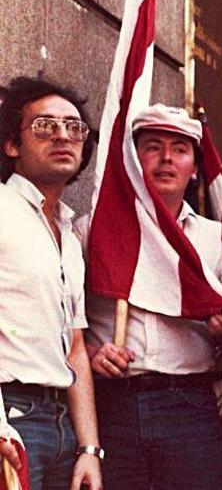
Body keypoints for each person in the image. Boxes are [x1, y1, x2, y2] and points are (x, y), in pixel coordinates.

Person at [81, 104, 222, 489]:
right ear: (133, 160)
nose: (167, 158)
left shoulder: (219, 240)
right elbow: (63, 318)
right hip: (113, 404)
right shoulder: (92, 231)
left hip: (188, 405)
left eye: (180, 149)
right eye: (152, 146)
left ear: (194, 168)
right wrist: (92, 352)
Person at [0, 76, 103, 490]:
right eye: (45, 126)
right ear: (11, 145)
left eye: (74, 127)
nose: (63, 135)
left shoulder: (68, 234)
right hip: (12, 420)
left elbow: (75, 348)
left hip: (63, 430)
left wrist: (89, 449)